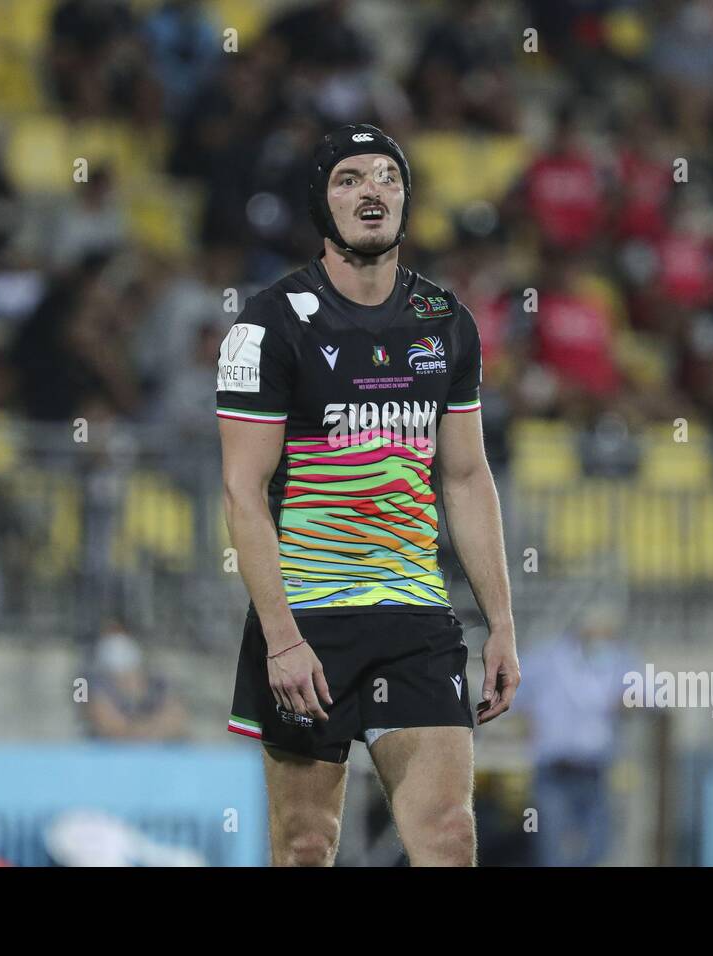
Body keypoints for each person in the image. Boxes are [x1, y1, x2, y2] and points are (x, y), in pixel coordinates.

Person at [216, 124, 518, 866]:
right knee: (306, 845)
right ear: (322, 204)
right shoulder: (270, 323)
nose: (371, 189)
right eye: (349, 178)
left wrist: (503, 622)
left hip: (415, 613)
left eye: (387, 175)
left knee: (448, 836)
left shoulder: (446, 323)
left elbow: (467, 478)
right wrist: (281, 638)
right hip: (308, 620)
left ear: (407, 199)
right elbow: (243, 490)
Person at [515, 603, 639, 866]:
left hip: (594, 771)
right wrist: (528, 724)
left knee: (598, 847)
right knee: (553, 851)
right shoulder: (546, 659)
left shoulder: (618, 660)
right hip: (554, 770)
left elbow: (643, 693)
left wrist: (627, 702)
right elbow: (515, 691)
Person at [84, 621, 187, 741]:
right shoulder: (93, 683)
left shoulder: (158, 682)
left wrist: (144, 734)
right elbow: (107, 724)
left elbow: (177, 718)